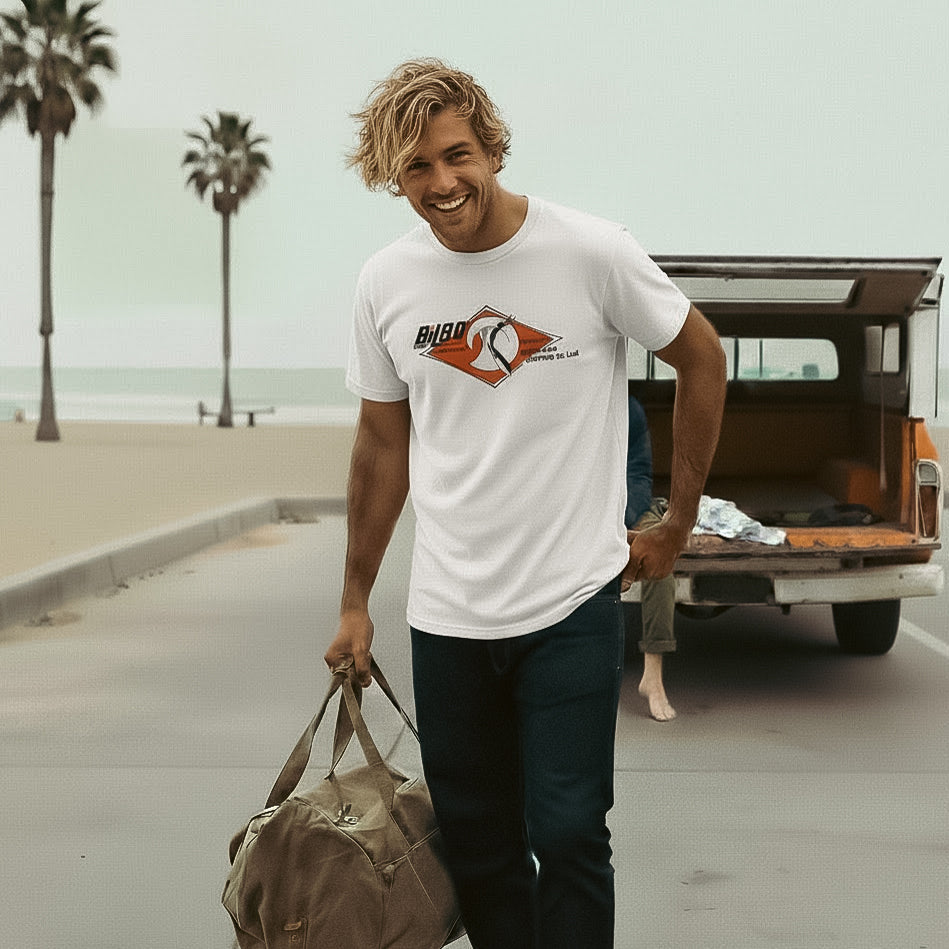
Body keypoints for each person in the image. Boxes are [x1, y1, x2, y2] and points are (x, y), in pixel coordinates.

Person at [324, 58, 726, 949]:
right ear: (392, 175)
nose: (441, 184)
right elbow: (381, 446)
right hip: (447, 613)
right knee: (479, 844)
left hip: (568, 603)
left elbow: (702, 357)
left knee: (569, 832)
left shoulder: (589, 251)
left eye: (455, 155)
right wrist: (355, 598)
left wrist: (676, 522)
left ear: (490, 144)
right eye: (415, 169)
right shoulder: (385, 281)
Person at [626, 394, 678, 722]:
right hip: (582, 507)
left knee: (659, 556)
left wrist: (622, 520)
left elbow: (640, 475)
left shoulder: (631, 410)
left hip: (631, 508)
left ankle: (652, 674)